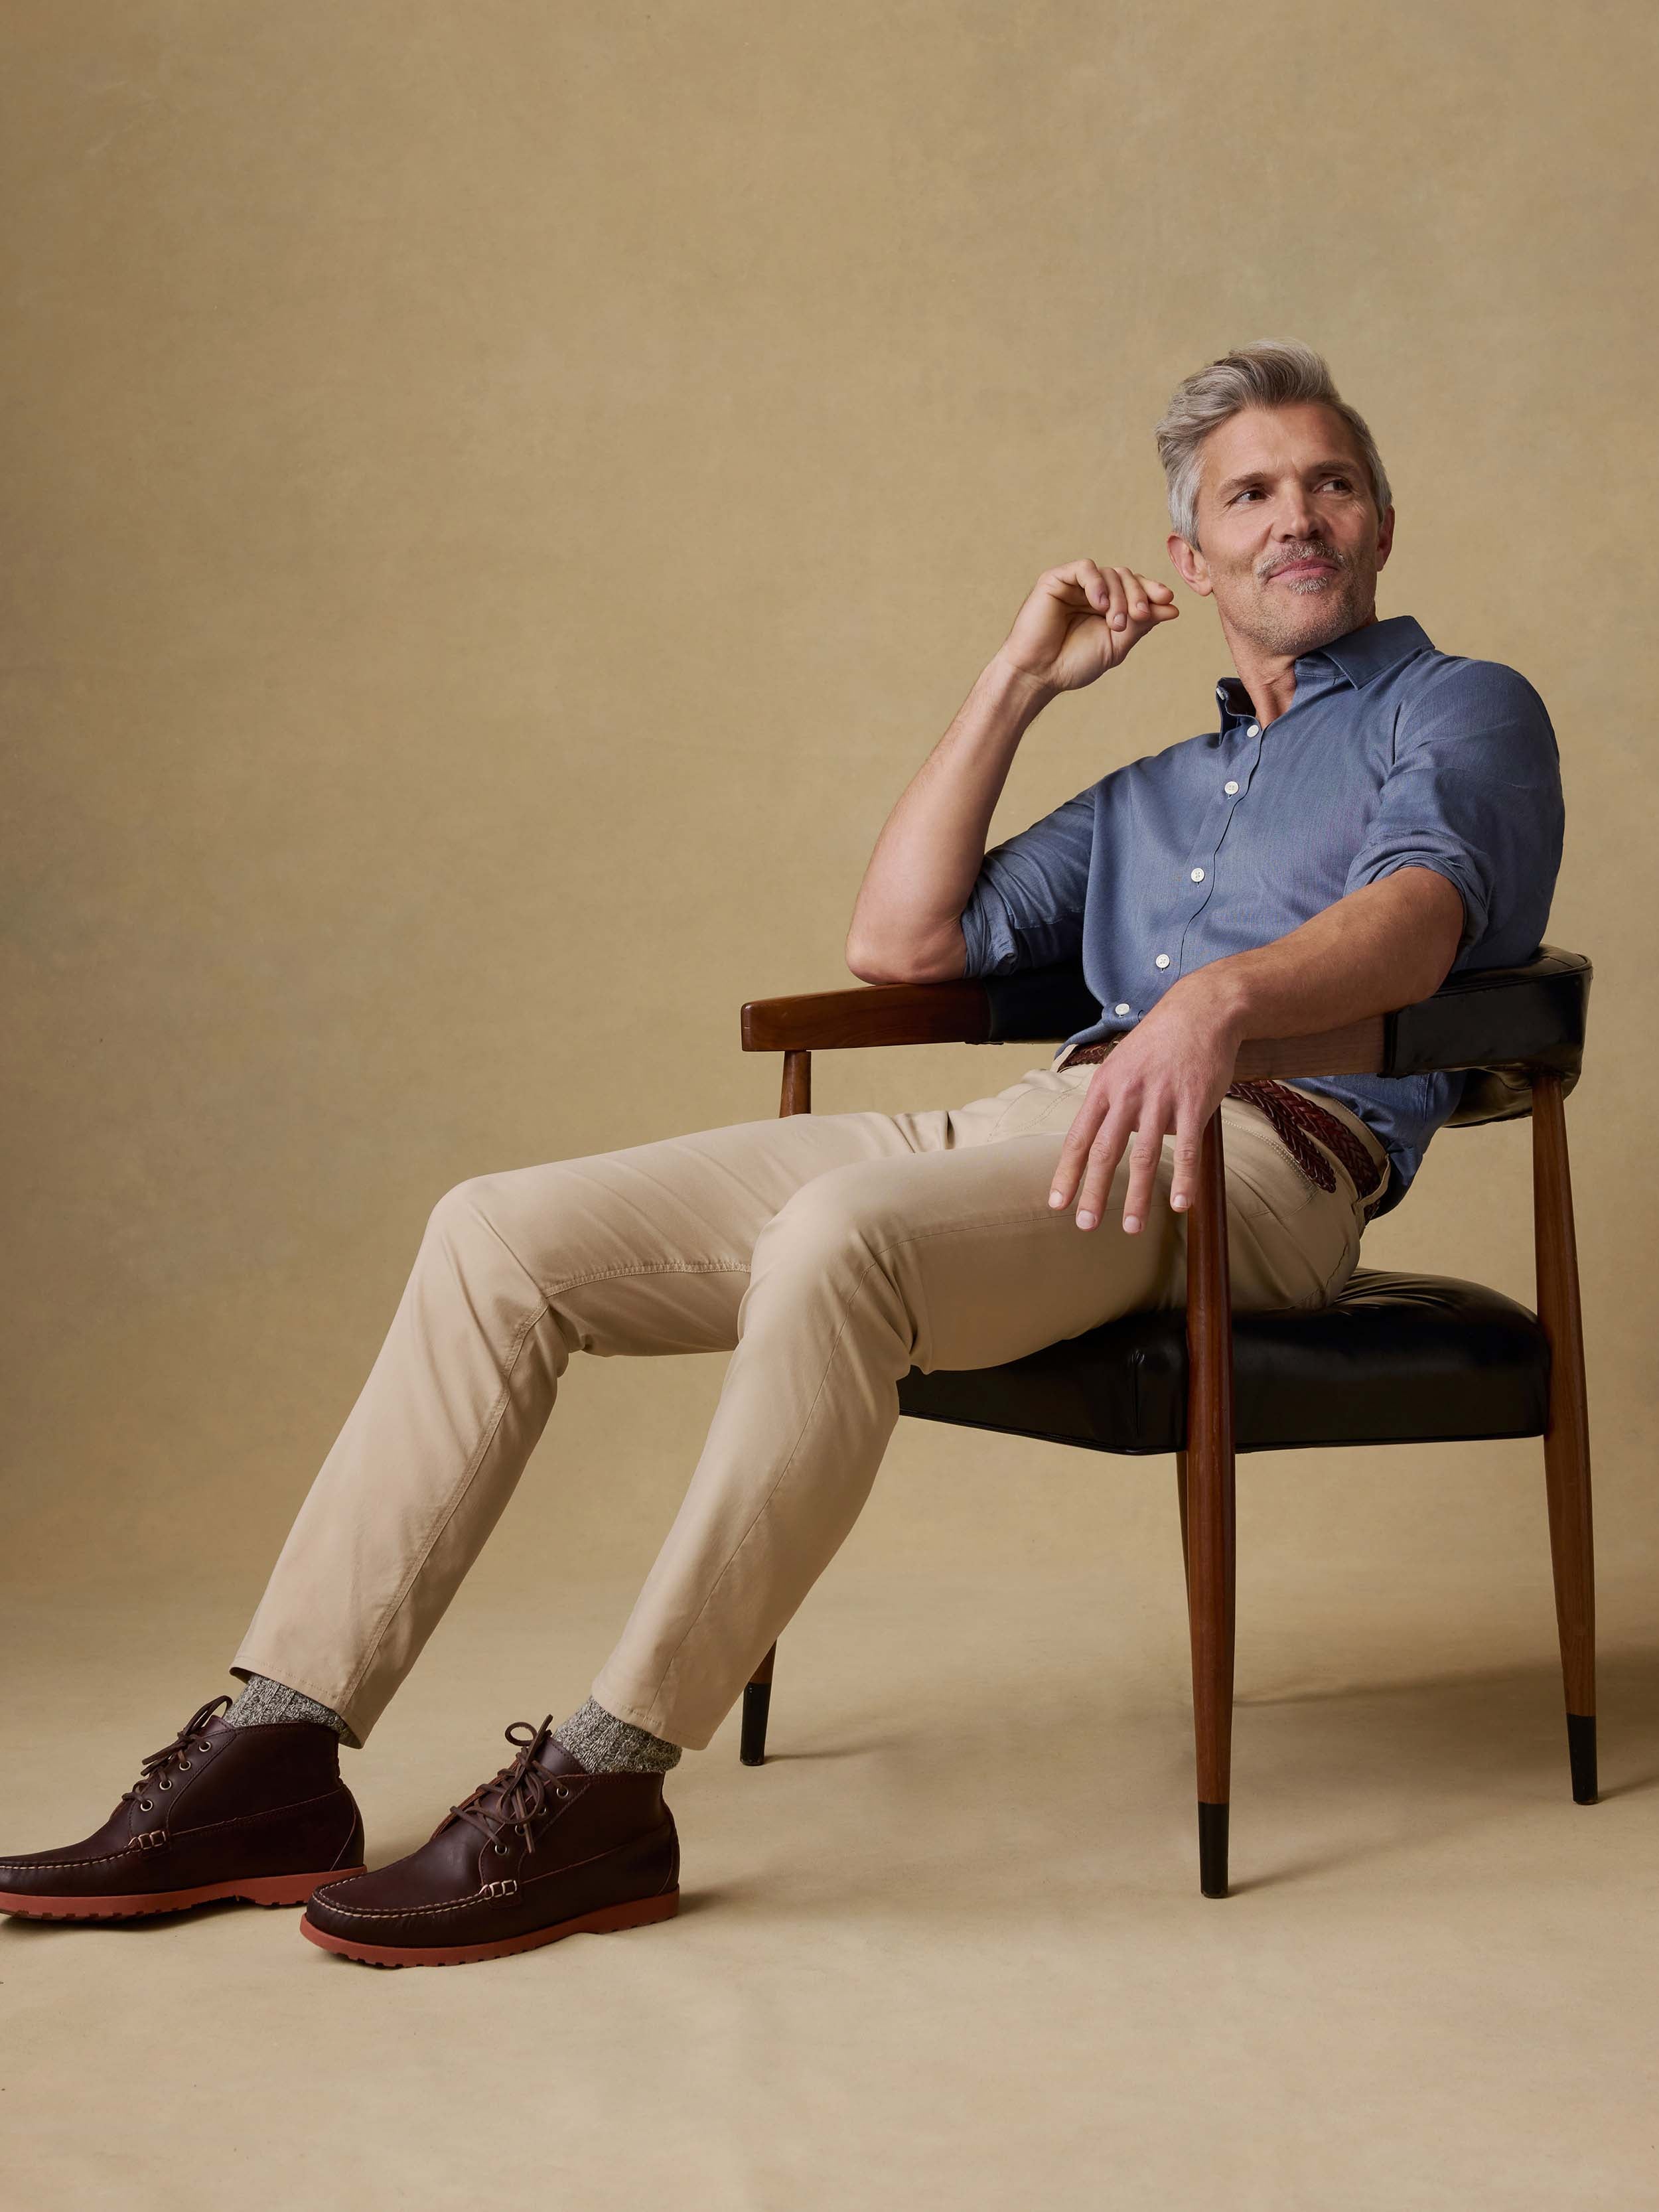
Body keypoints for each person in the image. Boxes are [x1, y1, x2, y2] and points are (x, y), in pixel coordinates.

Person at [1, 340, 1564, 1968]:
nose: (1292, 515)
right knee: (495, 1232)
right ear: (1191, 554)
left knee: (840, 1235)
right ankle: (275, 1744)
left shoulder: (1458, 707)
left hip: (1255, 1160)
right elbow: (899, 941)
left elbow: (1419, 918)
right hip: (1031, 1127)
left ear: (1379, 523)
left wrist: (1218, 1006)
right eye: (1248, 495)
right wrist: (1016, 682)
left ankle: (604, 1780)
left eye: (1327, 482)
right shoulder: (1157, 789)